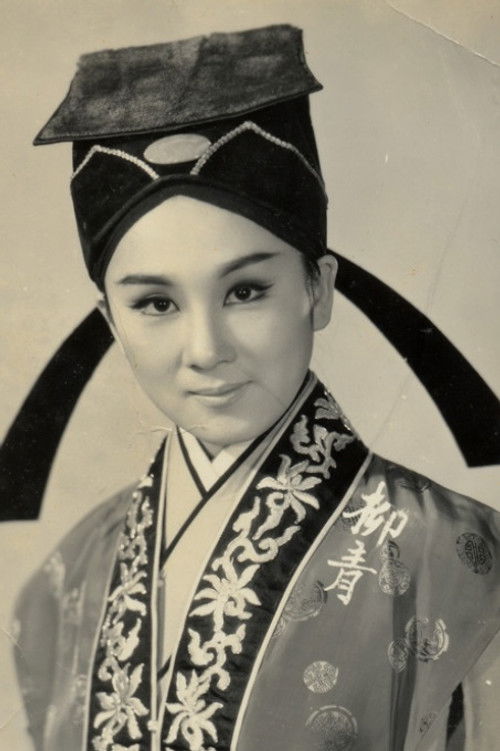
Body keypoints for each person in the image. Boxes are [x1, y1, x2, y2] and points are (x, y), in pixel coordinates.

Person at [12, 24, 500, 751]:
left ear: (318, 288)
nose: (206, 350)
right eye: (156, 303)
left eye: (245, 291)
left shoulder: (458, 561)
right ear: (110, 320)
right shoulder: (62, 587)